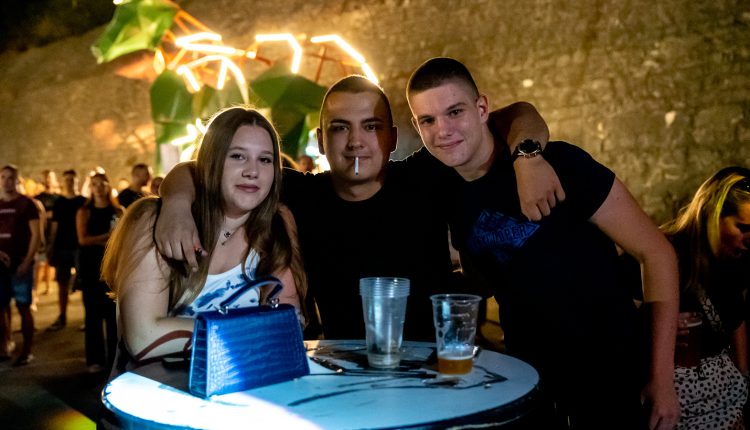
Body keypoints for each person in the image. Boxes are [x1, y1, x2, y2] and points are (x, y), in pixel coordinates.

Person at [155, 75, 559, 341]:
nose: (355, 142)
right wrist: (175, 202)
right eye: (340, 127)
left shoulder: (425, 175)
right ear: (320, 139)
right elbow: (200, 168)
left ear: (392, 137)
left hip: (434, 368)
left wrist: (528, 157)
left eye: (371, 126)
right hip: (344, 372)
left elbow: (517, 114)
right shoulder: (302, 193)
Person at [405, 57, 680, 429]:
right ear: (416, 126)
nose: (443, 130)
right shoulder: (443, 187)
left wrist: (662, 377)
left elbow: (656, 253)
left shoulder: (559, 163)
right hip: (528, 381)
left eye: (455, 112)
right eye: (428, 120)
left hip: (612, 372)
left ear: (482, 108)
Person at [101, 107, 305, 377]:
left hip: (241, 390)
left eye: (265, 160)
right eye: (237, 156)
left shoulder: (276, 225)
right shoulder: (153, 220)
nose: (252, 171)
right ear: (211, 162)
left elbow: (288, 323)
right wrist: (254, 329)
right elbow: (143, 337)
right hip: (156, 393)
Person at [659, 166, 750, 429]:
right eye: (742, 227)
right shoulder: (663, 254)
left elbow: (736, 319)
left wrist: (743, 381)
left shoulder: (735, 261)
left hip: (722, 392)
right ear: (712, 214)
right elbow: (609, 314)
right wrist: (657, 323)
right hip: (672, 393)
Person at [76, 172, 122, 373]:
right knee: (92, 315)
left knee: (113, 315)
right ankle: (94, 360)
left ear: (108, 186)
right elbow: (83, 239)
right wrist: (107, 238)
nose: (99, 188)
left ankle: (114, 358)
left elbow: (121, 239)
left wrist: (108, 240)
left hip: (112, 268)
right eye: (94, 184)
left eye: (102, 184)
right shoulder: (85, 211)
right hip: (91, 267)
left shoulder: (117, 211)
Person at [0, 165, 41, 366]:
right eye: (3, 177)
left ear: (17, 180)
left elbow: (36, 235)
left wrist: (27, 262)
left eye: (11, 177)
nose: (7, 181)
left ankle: (27, 350)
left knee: (24, 307)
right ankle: (4, 345)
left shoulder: (27, 204)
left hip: (21, 265)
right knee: (1, 307)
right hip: (1, 266)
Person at [46, 169, 86, 331]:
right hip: (62, 247)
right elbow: (54, 227)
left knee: (83, 283)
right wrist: (51, 246)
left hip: (79, 248)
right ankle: (62, 316)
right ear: (63, 182)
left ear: (77, 181)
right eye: (67, 179)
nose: (69, 182)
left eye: (72, 179)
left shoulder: (83, 201)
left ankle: (86, 317)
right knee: (62, 284)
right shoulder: (59, 203)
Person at [34, 170, 59, 295]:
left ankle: (48, 286)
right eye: (46, 177)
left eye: (50, 177)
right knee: (40, 262)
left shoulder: (58, 198)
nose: (48, 180)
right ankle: (35, 290)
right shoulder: (38, 198)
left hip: (54, 233)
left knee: (50, 262)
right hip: (42, 232)